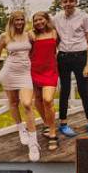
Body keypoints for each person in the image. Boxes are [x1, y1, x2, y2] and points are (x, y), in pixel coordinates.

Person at [0, 9, 40, 162]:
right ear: (12, 21)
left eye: (21, 19)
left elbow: (36, 52)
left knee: (27, 104)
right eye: (16, 20)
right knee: (13, 103)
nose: (19, 22)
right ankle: (21, 129)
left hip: (25, 73)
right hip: (9, 72)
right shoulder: (4, 36)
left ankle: (33, 143)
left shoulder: (29, 35)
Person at [52, 0, 88, 138]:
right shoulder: (56, 18)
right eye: (65, 1)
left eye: (71, 1)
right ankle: (63, 124)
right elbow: (52, 37)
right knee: (64, 90)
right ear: (61, 4)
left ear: (76, 2)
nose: (68, 4)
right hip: (63, 58)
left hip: (80, 57)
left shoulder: (85, 17)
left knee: (83, 90)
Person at [29, 10, 60, 153]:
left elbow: (57, 48)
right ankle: (47, 124)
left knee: (47, 100)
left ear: (47, 20)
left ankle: (53, 133)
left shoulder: (54, 33)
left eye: (41, 19)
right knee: (38, 100)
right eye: (35, 20)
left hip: (50, 71)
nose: (38, 22)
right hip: (34, 70)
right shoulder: (31, 35)